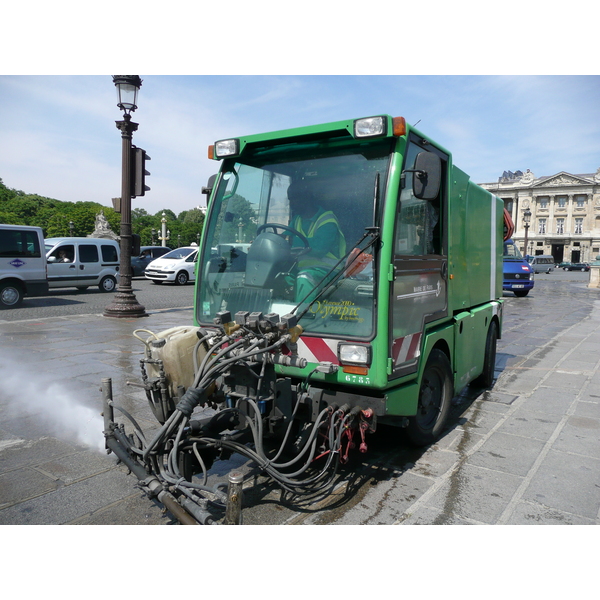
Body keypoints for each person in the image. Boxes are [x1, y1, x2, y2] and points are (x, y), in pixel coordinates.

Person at [287, 180, 346, 303]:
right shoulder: (297, 220)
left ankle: (301, 318)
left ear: (307, 198)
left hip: (328, 270)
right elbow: (284, 240)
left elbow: (319, 248)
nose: (291, 204)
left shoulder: (327, 220)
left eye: (294, 199)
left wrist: (292, 242)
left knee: (305, 277)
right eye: (289, 199)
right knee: (278, 276)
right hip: (303, 267)